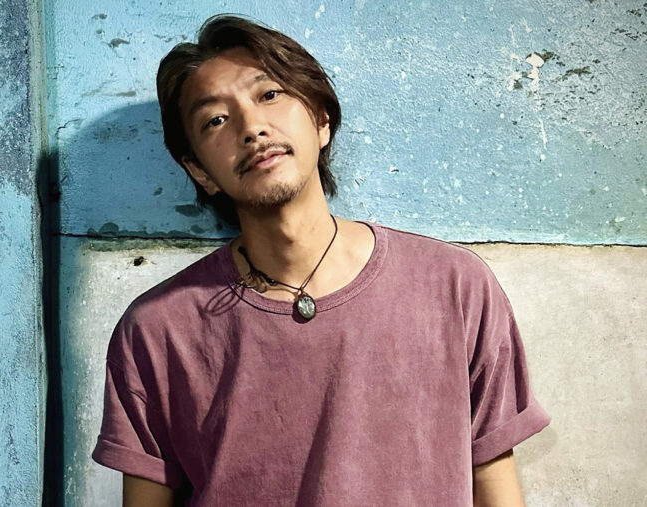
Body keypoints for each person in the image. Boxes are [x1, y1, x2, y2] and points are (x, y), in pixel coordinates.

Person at [91, 13, 551, 506]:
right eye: (216, 120)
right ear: (199, 170)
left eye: (269, 94)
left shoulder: (454, 286)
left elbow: (496, 486)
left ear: (321, 119)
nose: (252, 128)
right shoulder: (157, 331)